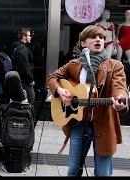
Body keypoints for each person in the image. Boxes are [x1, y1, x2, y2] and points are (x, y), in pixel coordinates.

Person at [47, 25, 128, 176]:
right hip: (79, 123)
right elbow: (53, 78)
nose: (98, 39)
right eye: (93, 37)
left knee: (103, 173)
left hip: (104, 124)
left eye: (101, 37)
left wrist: (120, 99)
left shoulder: (115, 65)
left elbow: (119, 86)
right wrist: (59, 90)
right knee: (73, 171)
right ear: (83, 43)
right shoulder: (74, 64)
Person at [12, 27, 35, 105]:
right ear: (24, 36)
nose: (30, 37)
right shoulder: (22, 50)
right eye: (29, 35)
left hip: (22, 80)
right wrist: (30, 80)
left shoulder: (22, 48)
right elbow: (24, 67)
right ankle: (27, 116)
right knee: (30, 98)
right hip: (24, 81)